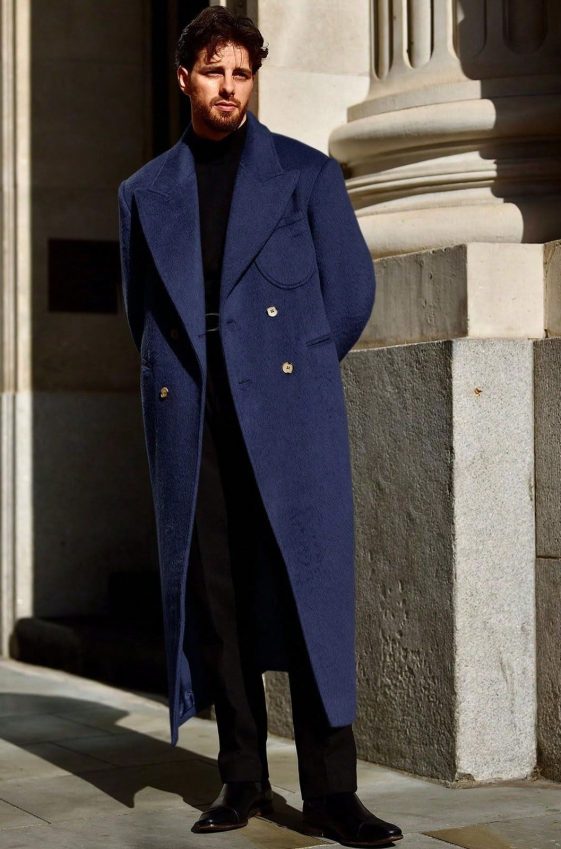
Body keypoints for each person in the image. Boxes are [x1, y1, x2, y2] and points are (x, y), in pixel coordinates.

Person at [118, 6, 403, 846]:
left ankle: (333, 794)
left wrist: (292, 369)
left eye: (241, 73)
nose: (229, 88)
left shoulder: (305, 175)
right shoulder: (143, 193)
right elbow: (142, 312)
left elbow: (349, 294)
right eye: (213, 71)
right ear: (184, 78)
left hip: (286, 409)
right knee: (219, 597)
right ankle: (241, 777)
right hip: (193, 415)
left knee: (310, 589)